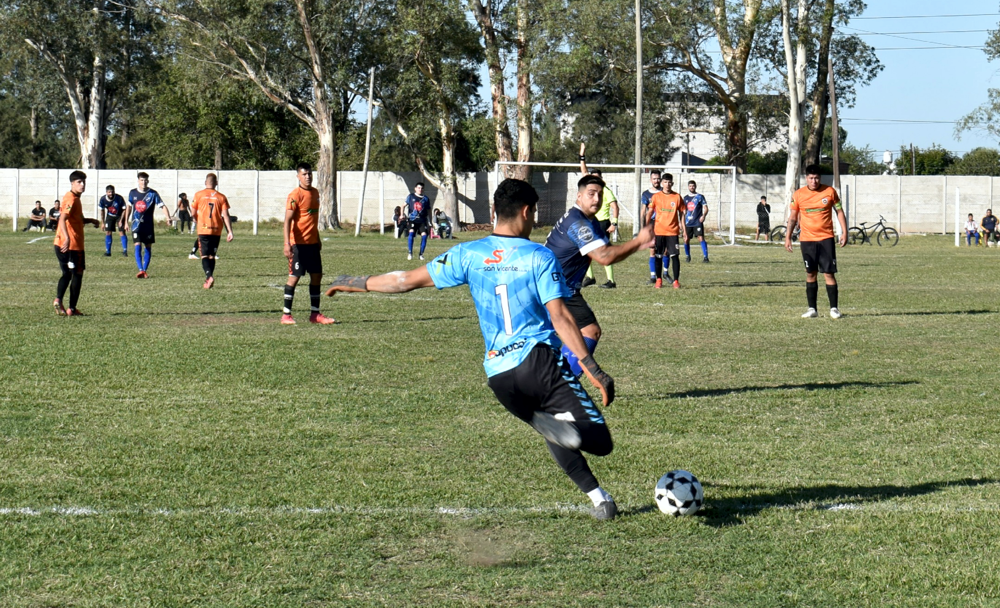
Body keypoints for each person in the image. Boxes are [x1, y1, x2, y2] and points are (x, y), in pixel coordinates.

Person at [325, 178, 621, 520]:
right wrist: (592, 368)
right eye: (535, 212)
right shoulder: (539, 255)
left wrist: (356, 283)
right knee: (599, 440)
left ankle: (600, 499)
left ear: (494, 211)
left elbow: (406, 280)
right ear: (526, 212)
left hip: (500, 377)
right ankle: (559, 431)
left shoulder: (469, 253)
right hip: (538, 363)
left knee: (557, 429)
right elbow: (560, 316)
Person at [545, 174, 655, 377]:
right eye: (591, 194)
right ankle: (560, 383)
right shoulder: (578, 223)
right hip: (556, 288)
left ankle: (558, 380)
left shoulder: (589, 220)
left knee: (576, 334)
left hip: (557, 286)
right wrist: (638, 241)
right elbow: (603, 257)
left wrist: (637, 245)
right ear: (579, 196)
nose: (597, 199)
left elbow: (607, 249)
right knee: (589, 331)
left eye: (600, 194)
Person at [785, 164, 848, 319]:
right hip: (807, 240)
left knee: (829, 273)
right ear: (806, 178)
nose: (814, 181)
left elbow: (839, 211)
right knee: (810, 273)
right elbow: (793, 217)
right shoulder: (798, 195)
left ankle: (834, 309)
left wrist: (844, 232)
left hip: (826, 239)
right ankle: (812, 308)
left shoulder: (830, 192)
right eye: (811, 178)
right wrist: (788, 237)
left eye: (817, 178)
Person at [281, 162, 336, 325]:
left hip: (312, 244)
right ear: (298, 176)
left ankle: (315, 314)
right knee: (294, 278)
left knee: (317, 276)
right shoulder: (294, 195)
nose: (308, 177)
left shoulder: (315, 193)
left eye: (309, 174)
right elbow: (287, 221)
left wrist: (317, 238)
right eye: (304, 174)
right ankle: (286, 315)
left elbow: (313, 220)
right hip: (298, 244)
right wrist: (286, 243)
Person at [53, 171, 101, 316]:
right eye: (79, 182)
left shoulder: (74, 198)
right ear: (72, 183)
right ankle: (71, 308)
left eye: (84, 182)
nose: (82, 185)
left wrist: (91, 220)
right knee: (77, 274)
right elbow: (62, 219)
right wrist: (67, 238)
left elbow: (76, 219)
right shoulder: (71, 199)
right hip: (72, 245)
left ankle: (58, 300)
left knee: (67, 274)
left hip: (60, 243)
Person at [579, 143, 619, 289]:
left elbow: (615, 207)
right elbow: (583, 171)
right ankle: (590, 277)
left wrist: (614, 223)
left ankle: (611, 281)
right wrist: (582, 155)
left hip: (602, 223)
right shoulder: (590, 189)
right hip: (590, 222)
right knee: (585, 250)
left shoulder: (605, 191)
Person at [126, 172, 173, 279]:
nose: (144, 182)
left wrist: (168, 217)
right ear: (138, 181)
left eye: (145, 180)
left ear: (148, 181)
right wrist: (125, 222)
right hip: (136, 225)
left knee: (147, 247)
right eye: (141, 180)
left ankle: (145, 270)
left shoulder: (153, 194)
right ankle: (140, 270)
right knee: (137, 246)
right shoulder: (132, 193)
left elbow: (162, 206)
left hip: (148, 226)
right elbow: (128, 207)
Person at [191, 173, 234, 289]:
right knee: (211, 256)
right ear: (216, 183)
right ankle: (209, 277)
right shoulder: (221, 197)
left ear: (205, 183)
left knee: (204, 256)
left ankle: (209, 276)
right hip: (216, 230)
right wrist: (230, 231)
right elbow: (225, 215)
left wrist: (195, 219)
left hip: (203, 229)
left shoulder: (198, 195)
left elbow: (193, 212)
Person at [646, 173, 684, 289]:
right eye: (665, 182)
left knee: (674, 256)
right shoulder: (656, 197)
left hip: (672, 232)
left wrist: (684, 229)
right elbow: (650, 212)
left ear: (672, 183)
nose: (667, 184)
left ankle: (676, 281)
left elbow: (682, 213)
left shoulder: (677, 197)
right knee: (658, 255)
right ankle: (658, 279)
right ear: (662, 183)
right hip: (659, 231)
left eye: (669, 182)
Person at [640, 170, 664, 284]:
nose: (656, 181)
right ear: (651, 180)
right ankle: (653, 276)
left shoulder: (665, 192)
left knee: (665, 251)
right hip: (651, 224)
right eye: (654, 179)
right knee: (652, 250)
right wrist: (642, 228)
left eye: (658, 178)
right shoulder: (646, 194)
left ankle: (665, 273)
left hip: (664, 223)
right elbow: (643, 212)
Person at [682, 180, 710, 263]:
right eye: (690, 186)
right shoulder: (685, 198)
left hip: (697, 222)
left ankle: (705, 257)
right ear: (688, 187)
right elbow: (683, 211)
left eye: (693, 186)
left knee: (700, 238)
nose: (692, 187)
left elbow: (706, 208)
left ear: (695, 186)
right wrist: (682, 222)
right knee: (686, 239)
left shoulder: (700, 196)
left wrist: (703, 215)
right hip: (688, 223)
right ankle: (688, 256)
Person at [98, 185, 128, 256]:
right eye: (109, 192)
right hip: (110, 216)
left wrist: (121, 220)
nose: (111, 194)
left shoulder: (119, 198)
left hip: (119, 215)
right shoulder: (103, 199)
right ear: (106, 192)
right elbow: (102, 211)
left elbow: (124, 209)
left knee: (122, 232)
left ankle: (125, 251)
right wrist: (103, 222)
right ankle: (108, 252)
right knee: (108, 232)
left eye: (112, 192)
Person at [405, 183, 432, 260]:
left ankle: (421, 254)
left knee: (424, 236)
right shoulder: (410, 197)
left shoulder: (426, 199)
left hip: (422, 221)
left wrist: (430, 221)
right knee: (411, 233)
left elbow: (429, 210)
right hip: (412, 220)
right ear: (415, 188)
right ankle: (410, 253)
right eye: (419, 188)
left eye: (422, 188)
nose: (420, 189)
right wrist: (401, 215)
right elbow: (403, 205)